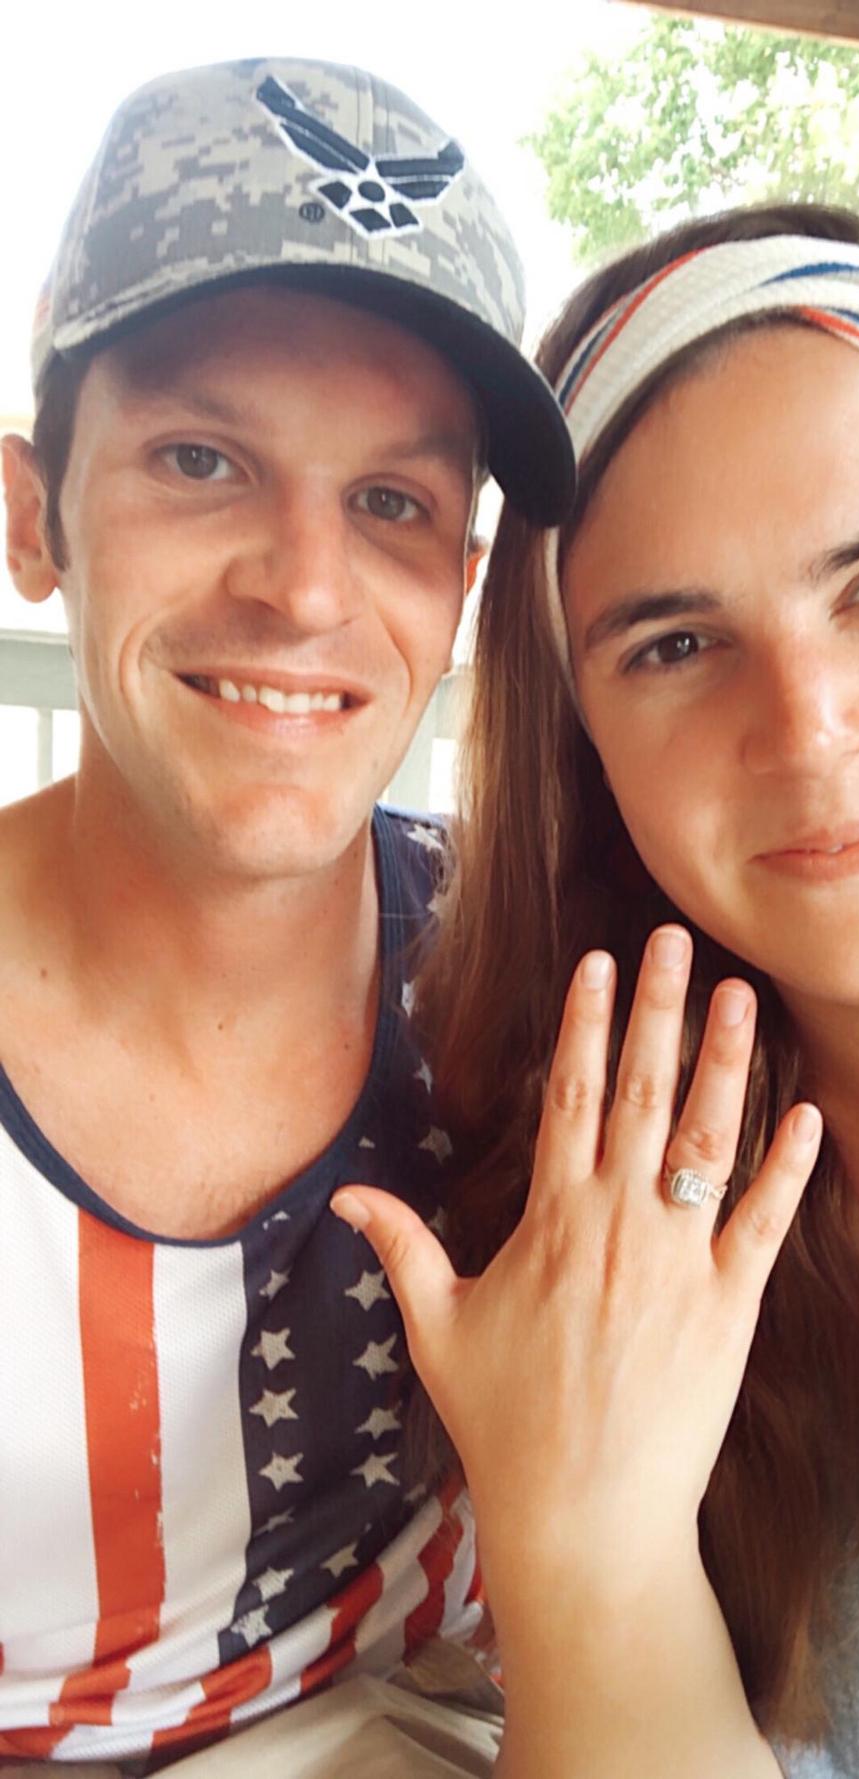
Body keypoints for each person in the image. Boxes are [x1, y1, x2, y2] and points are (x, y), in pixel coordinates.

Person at [333, 204, 859, 1778]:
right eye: (678, 644)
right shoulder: (581, 1234)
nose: (809, 727)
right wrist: (589, 1545)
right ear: (584, 745)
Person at [0, 55, 572, 1773]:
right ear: (32, 516)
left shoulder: (532, 971)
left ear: (460, 585)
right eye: (201, 459)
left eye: (393, 503)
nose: (306, 588)